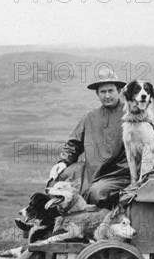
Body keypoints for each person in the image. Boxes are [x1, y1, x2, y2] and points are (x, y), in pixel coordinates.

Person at [49, 70, 131, 209]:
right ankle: (56, 224)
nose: (107, 95)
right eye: (102, 92)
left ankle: (101, 223)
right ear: (97, 94)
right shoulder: (90, 117)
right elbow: (74, 143)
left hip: (119, 174)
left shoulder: (130, 115)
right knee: (55, 182)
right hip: (90, 171)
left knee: (96, 193)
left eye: (111, 91)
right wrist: (63, 161)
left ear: (119, 91)